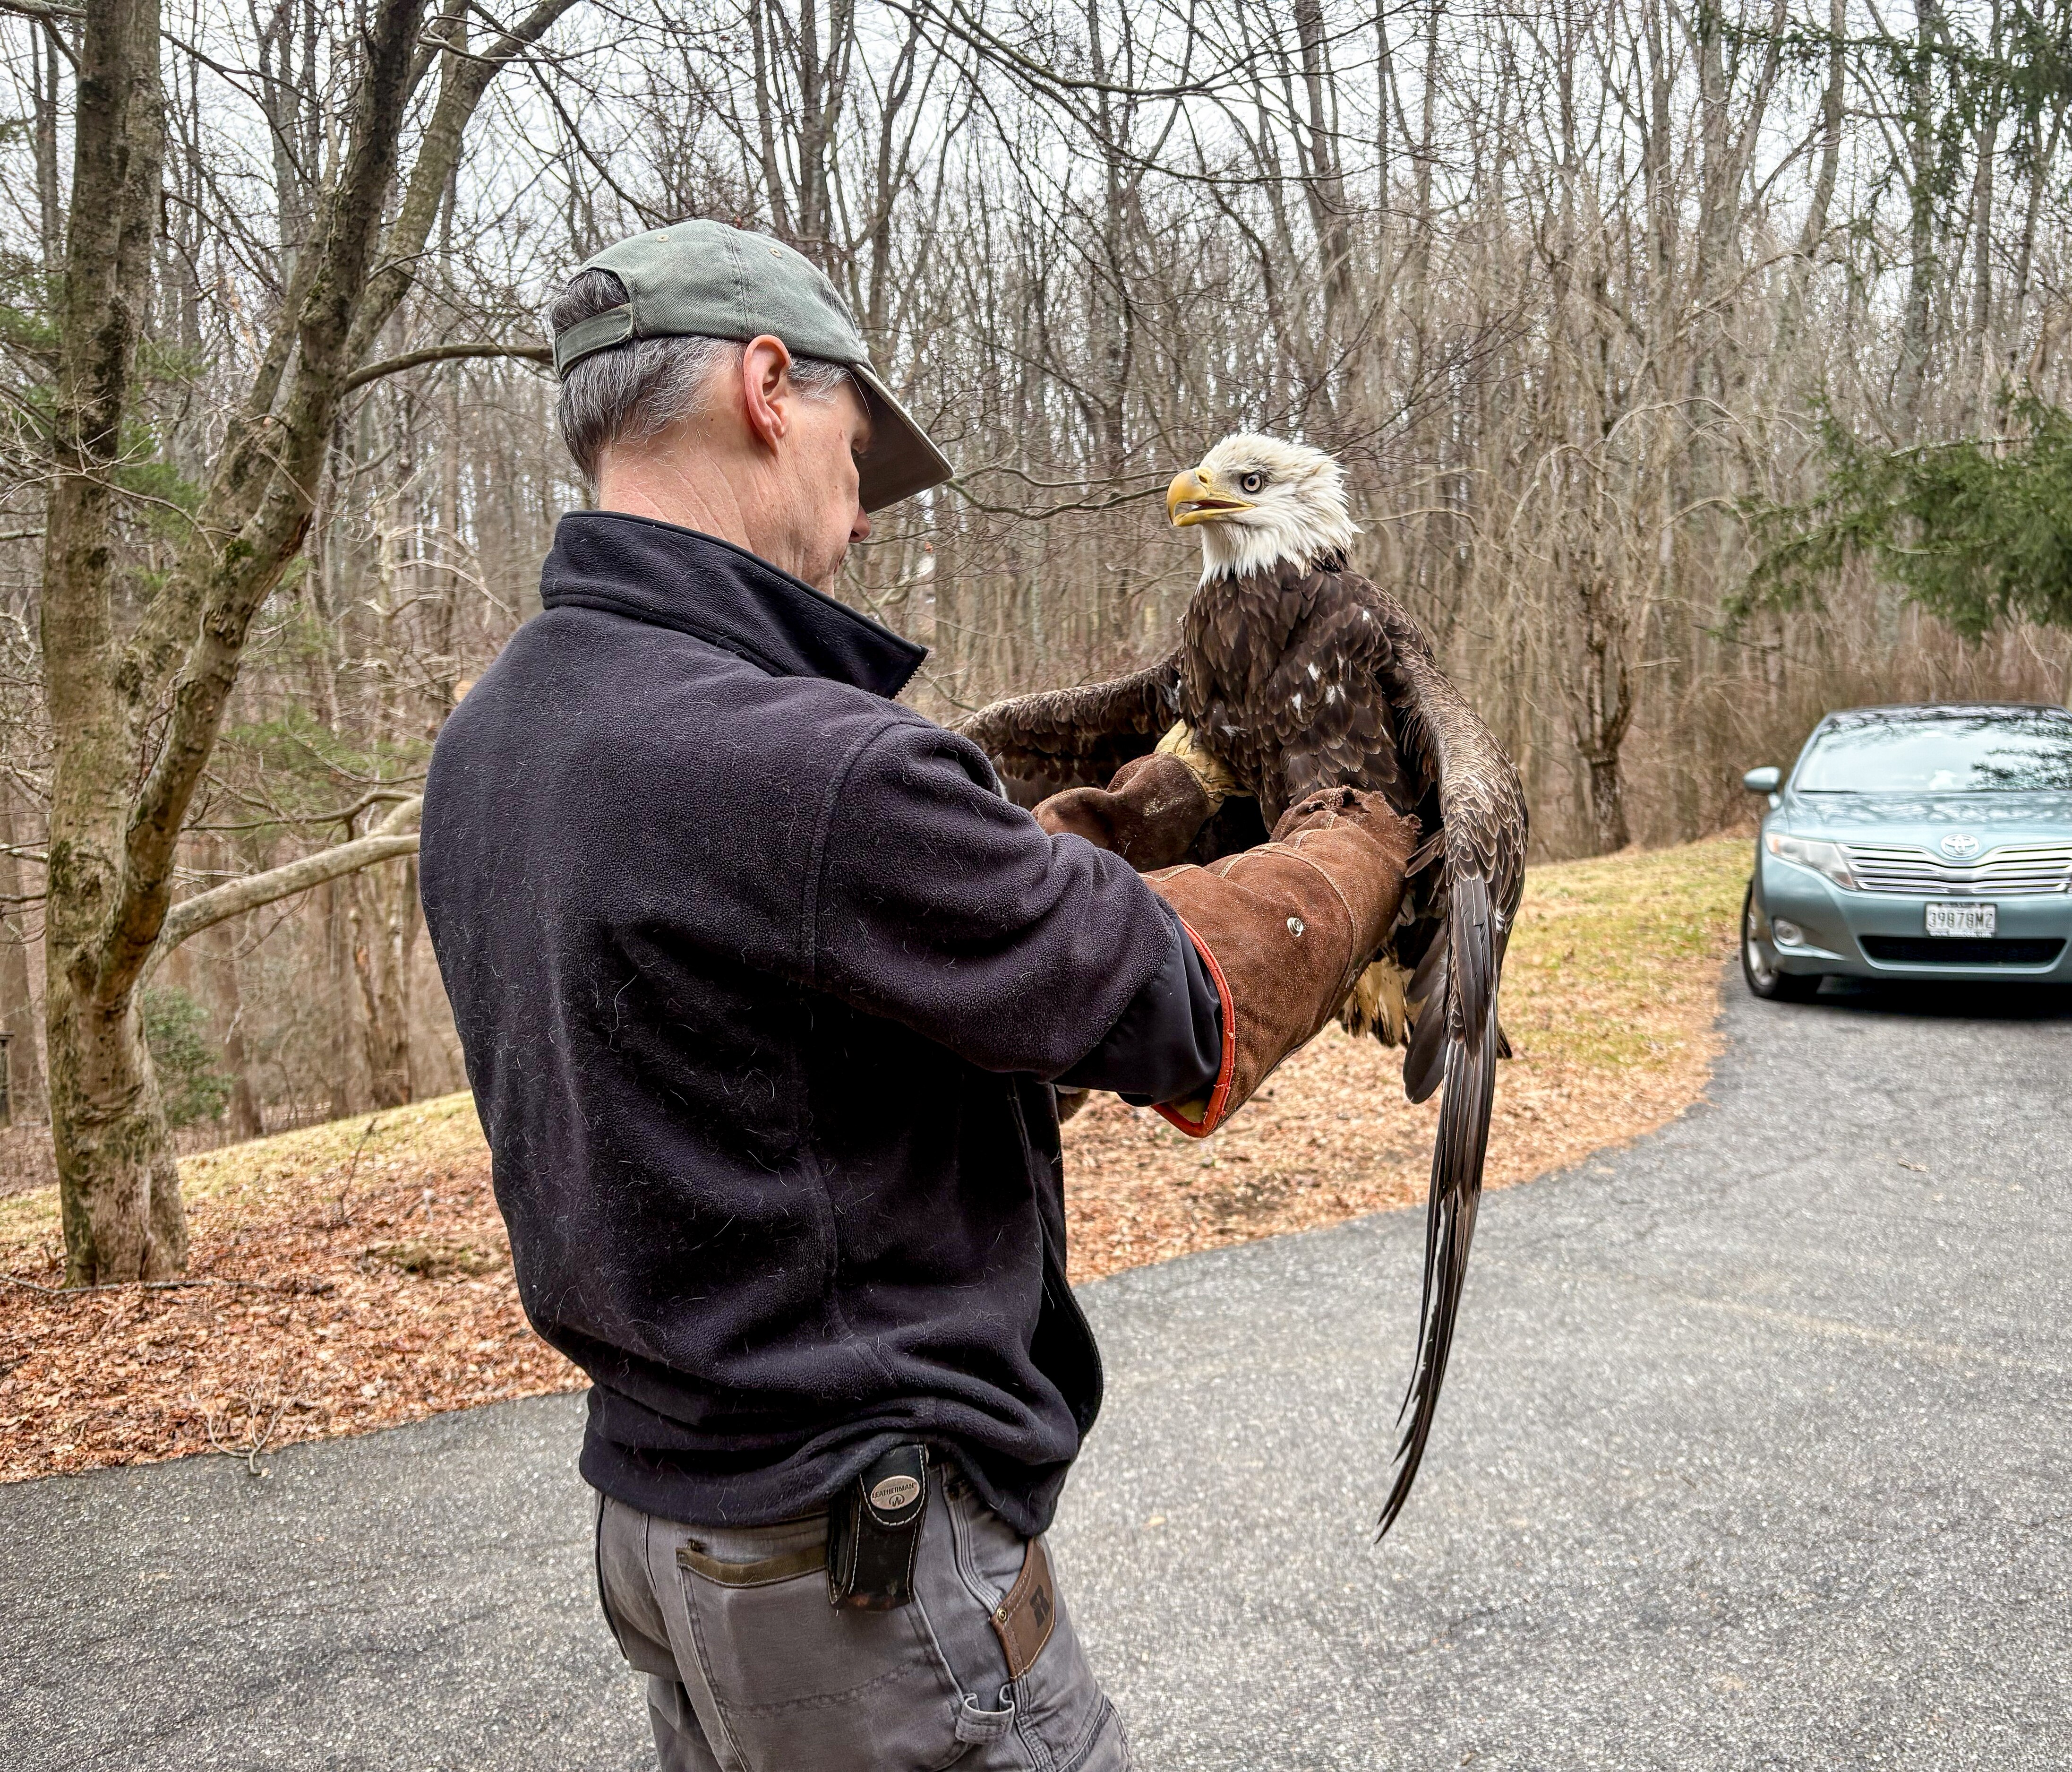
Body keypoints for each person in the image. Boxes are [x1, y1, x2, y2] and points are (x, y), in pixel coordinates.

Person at [419, 219, 1413, 1772]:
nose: (863, 516)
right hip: (861, 1575)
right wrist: (1353, 844)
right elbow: (1180, 1010)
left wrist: (1083, 835)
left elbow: (804, 993)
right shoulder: (808, 763)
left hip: (662, 1531)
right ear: (767, 387)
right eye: (856, 448)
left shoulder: (499, 739)